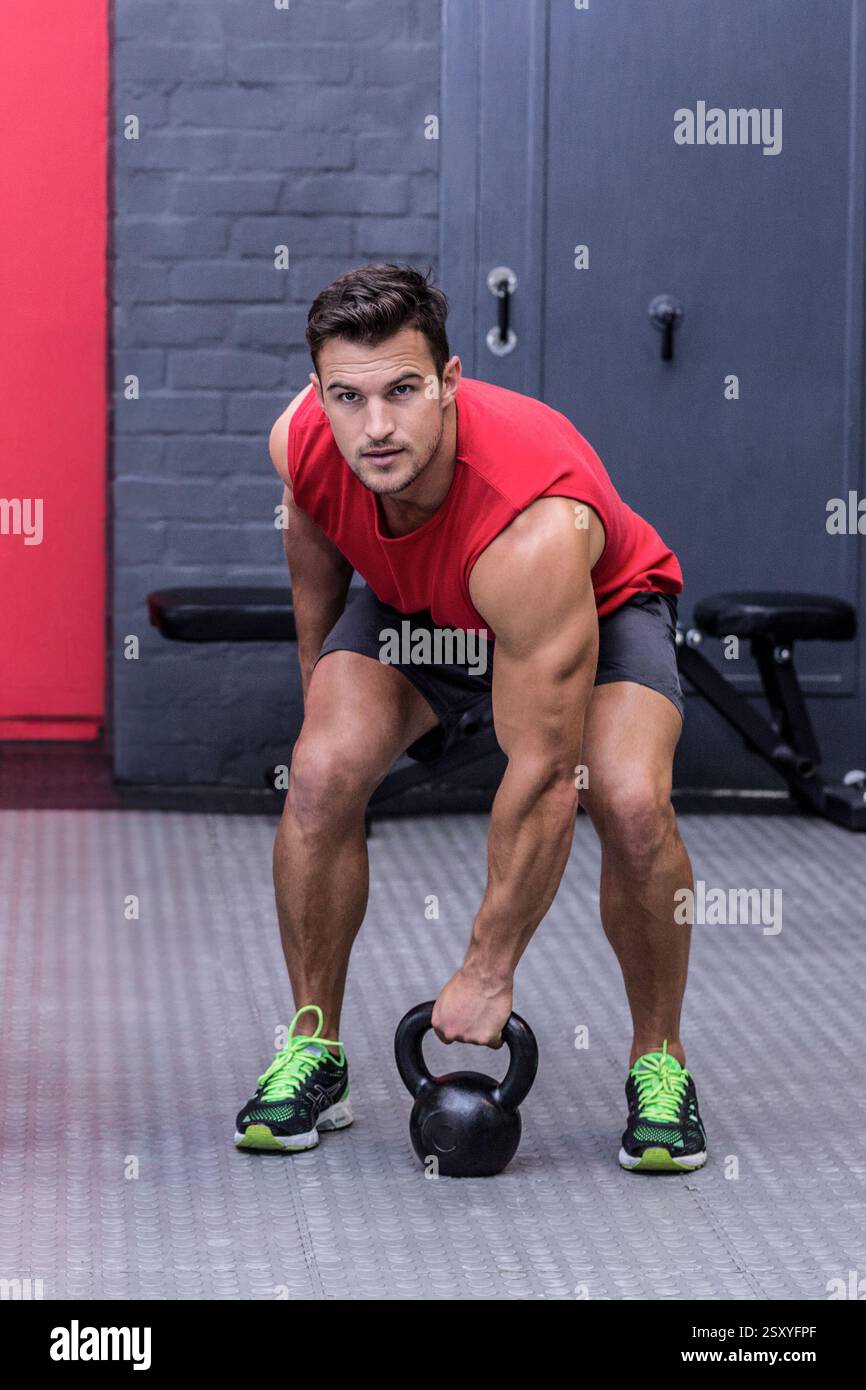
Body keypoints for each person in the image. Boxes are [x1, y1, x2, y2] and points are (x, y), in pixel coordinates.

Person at [234, 263, 707, 1173]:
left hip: (590, 611)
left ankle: (661, 1062)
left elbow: (541, 776)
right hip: (423, 611)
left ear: (450, 383)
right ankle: (314, 1046)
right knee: (322, 772)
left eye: (404, 391)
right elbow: (315, 552)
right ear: (317, 393)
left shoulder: (536, 520)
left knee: (630, 799)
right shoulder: (301, 442)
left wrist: (489, 968)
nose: (376, 426)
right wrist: (322, 702)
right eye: (350, 396)